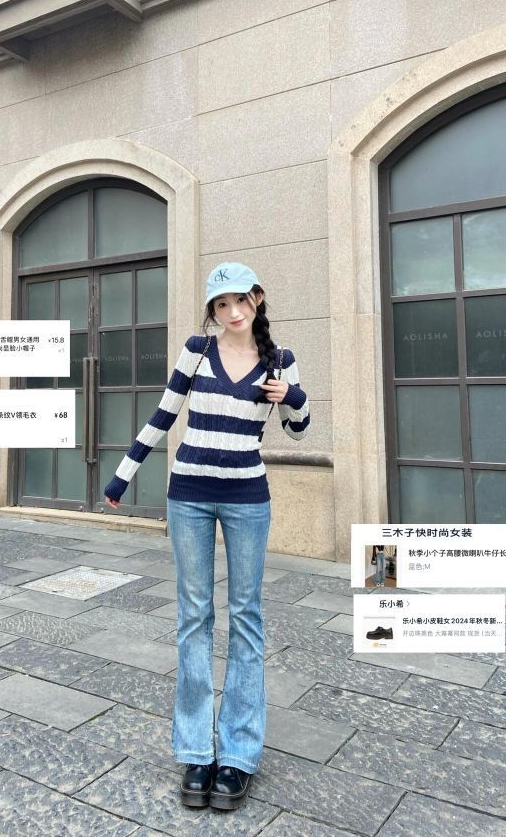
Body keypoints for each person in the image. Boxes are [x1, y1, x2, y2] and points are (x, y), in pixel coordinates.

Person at [104, 261, 310, 811]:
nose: (232, 312)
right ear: (213, 310)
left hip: (248, 499)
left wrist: (292, 397)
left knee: (246, 616)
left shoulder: (279, 360)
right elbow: (164, 415)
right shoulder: (196, 351)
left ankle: (238, 755)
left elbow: (297, 429)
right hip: (189, 495)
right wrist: (123, 474)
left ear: (257, 299)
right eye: (221, 304)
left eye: (240, 300)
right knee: (193, 616)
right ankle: (197, 751)